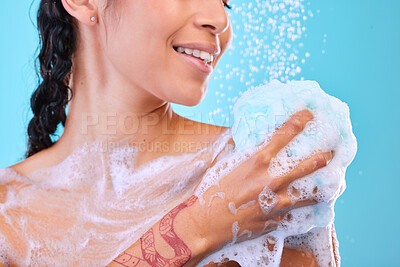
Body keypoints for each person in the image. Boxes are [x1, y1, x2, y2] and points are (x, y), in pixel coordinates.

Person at [1, 0, 339, 266]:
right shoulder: (7, 213)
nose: (219, 20)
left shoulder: (260, 175)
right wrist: (197, 228)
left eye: (226, 1)